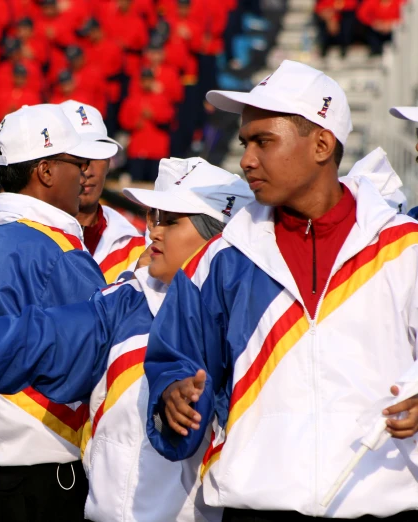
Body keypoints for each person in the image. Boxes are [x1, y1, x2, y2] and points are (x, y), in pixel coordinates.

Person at [0, 158, 252, 522]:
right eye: (153, 217)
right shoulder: (124, 300)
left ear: (215, 236)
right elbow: (29, 337)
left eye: (171, 221)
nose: (154, 232)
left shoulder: (246, 318)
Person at [145, 60, 418, 520]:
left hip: (384, 505)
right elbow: (174, 360)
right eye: (244, 143)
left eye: (263, 141)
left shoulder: (402, 247)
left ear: (322, 143)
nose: (247, 159)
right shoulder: (222, 259)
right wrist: (171, 394)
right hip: (257, 507)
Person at [0, 104, 119, 521]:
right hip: (46, 473)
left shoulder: (12, 242)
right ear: (46, 172)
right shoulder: (40, 246)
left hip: (23, 471)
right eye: (77, 161)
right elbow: (78, 354)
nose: (85, 172)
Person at [60, 100, 146, 283]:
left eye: (97, 156)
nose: (88, 170)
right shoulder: (28, 238)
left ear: (108, 163)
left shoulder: (136, 245)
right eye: (77, 157)